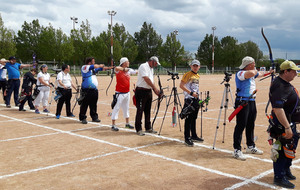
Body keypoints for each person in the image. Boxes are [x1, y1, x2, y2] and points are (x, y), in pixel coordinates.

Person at [233, 56, 273, 160]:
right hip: (242, 101)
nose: (255, 65)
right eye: (253, 63)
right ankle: (237, 150)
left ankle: (250, 146)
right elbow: (252, 73)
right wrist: (255, 70)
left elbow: (260, 74)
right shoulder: (241, 73)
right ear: (248, 65)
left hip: (251, 101)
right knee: (241, 125)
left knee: (250, 124)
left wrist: (269, 72)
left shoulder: (252, 72)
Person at [269, 60, 300, 189]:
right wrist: (287, 127)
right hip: (283, 124)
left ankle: (286, 169)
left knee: (291, 146)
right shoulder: (280, 86)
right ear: (285, 71)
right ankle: (279, 176)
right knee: (283, 149)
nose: (295, 75)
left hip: (290, 122)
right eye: (293, 72)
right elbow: (278, 108)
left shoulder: (284, 83)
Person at [79, 57, 112, 124]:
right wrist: (100, 65)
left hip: (94, 90)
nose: (94, 62)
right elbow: (95, 66)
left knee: (93, 104)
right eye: (93, 61)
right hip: (86, 90)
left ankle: (94, 117)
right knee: (84, 104)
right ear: (89, 62)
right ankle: (83, 117)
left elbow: (102, 68)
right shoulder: (84, 67)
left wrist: (111, 67)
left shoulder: (93, 70)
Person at [134, 56, 161, 136]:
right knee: (140, 110)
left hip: (148, 91)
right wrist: (155, 88)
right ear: (151, 61)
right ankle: (138, 128)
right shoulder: (143, 66)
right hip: (141, 91)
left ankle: (148, 127)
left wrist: (155, 91)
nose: (156, 65)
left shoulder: (151, 68)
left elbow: (151, 81)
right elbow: (146, 79)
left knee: (147, 110)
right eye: (155, 63)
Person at [179, 60, 204, 147]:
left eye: (197, 66)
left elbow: (196, 88)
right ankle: (187, 138)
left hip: (195, 99)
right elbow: (181, 86)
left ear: (199, 67)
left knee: (194, 118)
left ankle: (193, 135)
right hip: (189, 99)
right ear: (191, 66)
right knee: (188, 119)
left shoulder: (197, 76)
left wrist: (199, 99)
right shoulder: (187, 74)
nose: (195, 67)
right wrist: (190, 93)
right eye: (194, 66)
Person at [111, 57, 138, 131]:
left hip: (127, 93)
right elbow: (116, 68)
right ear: (123, 63)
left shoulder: (129, 70)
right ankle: (113, 125)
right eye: (127, 61)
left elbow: (136, 72)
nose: (129, 62)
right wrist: (124, 69)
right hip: (119, 93)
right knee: (116, 108)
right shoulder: (118, 71)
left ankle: (127, 123)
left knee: (126, 109)